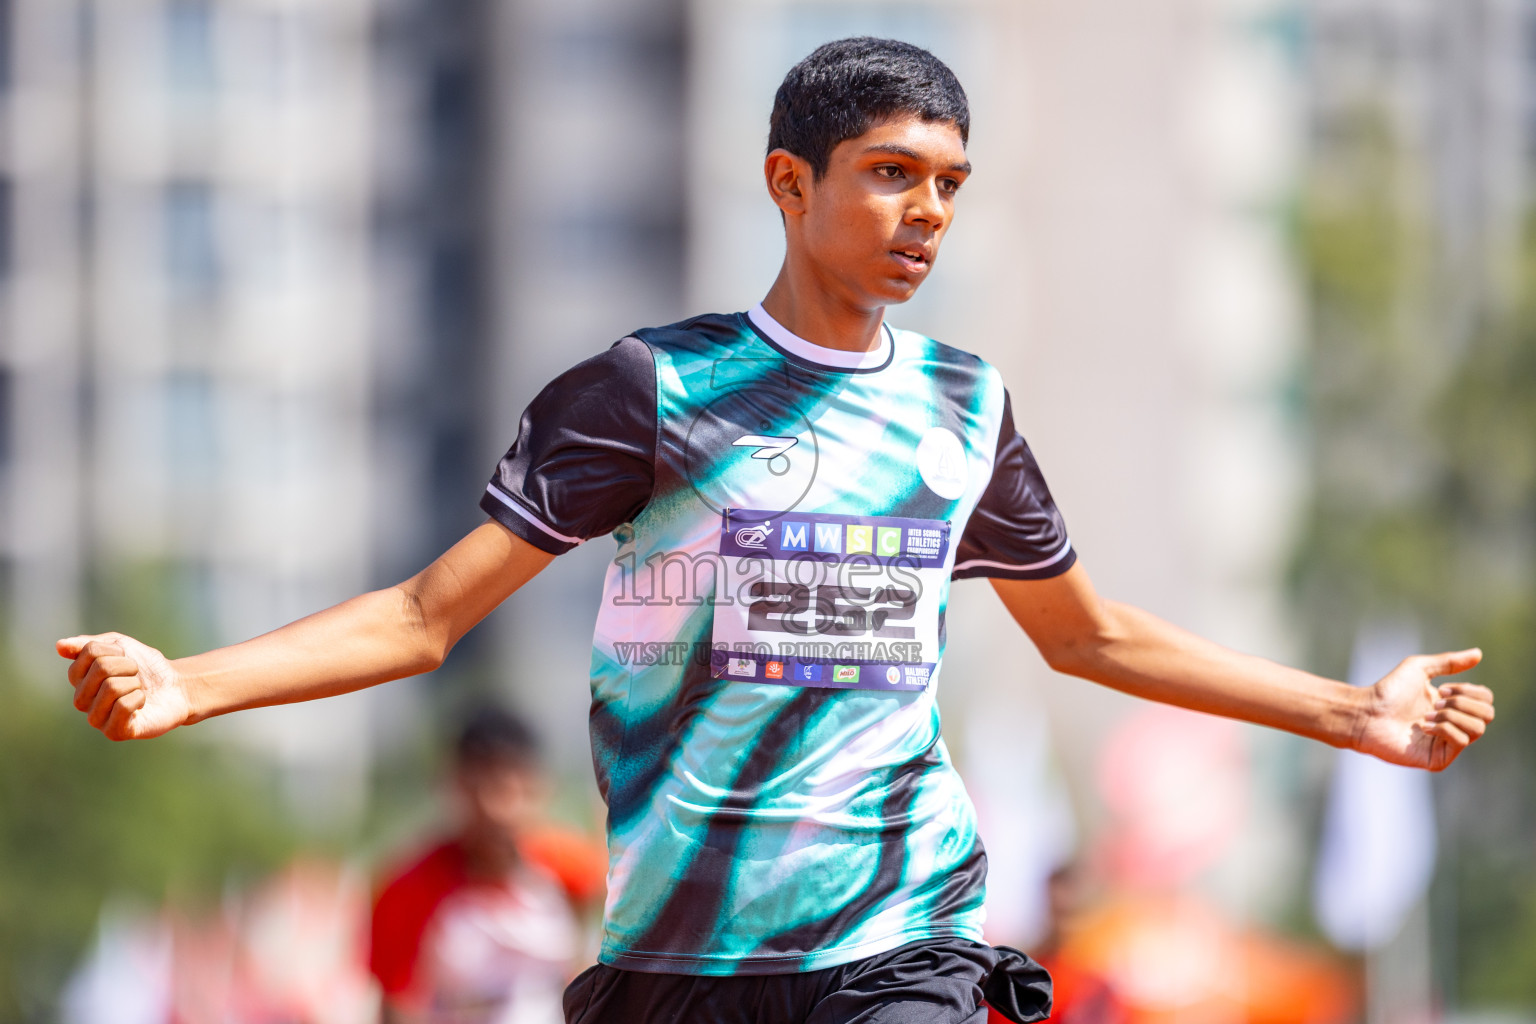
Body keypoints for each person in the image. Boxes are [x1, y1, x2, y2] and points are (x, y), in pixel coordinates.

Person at [58, 37, 1495, 1024]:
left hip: (898, 934)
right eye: (888, 173)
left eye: (948, 184)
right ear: (788, 183)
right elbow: (427, 616)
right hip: (684, 956)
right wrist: (193, 682)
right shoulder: (652, 391)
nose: (925, 212)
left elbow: (1090, 634)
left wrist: (1349, 713)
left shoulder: (965, 406)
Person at [369, 706, 606, 1024]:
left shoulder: (572, 871)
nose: (500, 811)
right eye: (485, 790)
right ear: (456, 786)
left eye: (515, 792)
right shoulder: (408, 891)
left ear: (540, 788)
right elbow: (396, 1007)